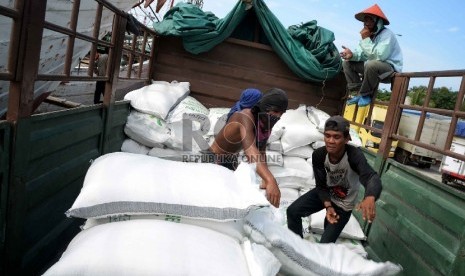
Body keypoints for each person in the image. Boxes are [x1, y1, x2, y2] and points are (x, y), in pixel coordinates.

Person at [286, 115, 382, 243]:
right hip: (326, 193)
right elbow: (321, 185)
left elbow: (371, 177)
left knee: (325, 246)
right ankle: (296, 245)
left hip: (343, 204)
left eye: (336, 137)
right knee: (292, 211)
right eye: (327, 135)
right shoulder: (319, 155)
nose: (330, 141)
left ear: (347, 138)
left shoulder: (354, 155)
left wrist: (370, 196)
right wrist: (328, 206)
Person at [205, 88, 288, 208]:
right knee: (211, 200)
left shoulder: (265, 123)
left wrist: (265, 178)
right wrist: (270, 180)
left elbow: (261, 151)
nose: (278, 116)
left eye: (281, 113)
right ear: (265, 107)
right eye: (275, 111)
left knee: (231, 202)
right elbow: (250, 150)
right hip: (212, 160)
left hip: (229, 162)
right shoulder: (244, 116)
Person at [340, 4, 403, 107]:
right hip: (373, 69)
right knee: (347, 63)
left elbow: (379, 56)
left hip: (389, 70)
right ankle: (357, 92)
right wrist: (352, 55)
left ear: (378, 22)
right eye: (365, 20)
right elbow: (363, 54)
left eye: (370, 20)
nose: (366, 23)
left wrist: (365, 40)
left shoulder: (387, 35)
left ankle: (365, 95)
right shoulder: (370, 35)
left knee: (371, 64)